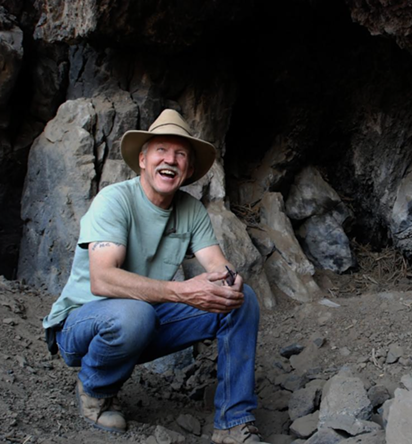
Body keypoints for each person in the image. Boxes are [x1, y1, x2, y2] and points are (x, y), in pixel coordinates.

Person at [42, 109, 264, 444]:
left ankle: (233, 423)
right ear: (143, 160)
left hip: (142, 322)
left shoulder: (190, 210)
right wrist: (182, 291)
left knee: (241, 302)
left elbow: (218, 266)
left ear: (188, 169)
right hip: (80, 326)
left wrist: (230, 282)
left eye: (181, 154)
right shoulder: (115, 201)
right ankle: (95, 391)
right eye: (161, 150)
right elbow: (102, 280)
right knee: (136, 313)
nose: (170, 160)